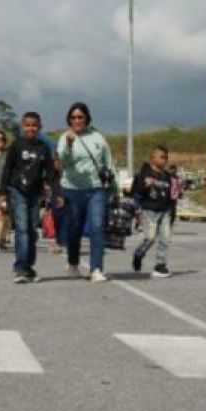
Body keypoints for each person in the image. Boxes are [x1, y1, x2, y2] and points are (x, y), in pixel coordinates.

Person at [56, 102, 118, 283]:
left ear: (87, 118)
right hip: (72, 189)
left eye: (80, 117)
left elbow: (108, 163)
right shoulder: (64, 137)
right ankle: (73, 263)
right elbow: (63, 162)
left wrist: (114, 188)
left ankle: (96, 268)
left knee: (97, 227)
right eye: (73, 117)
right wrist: (68, 144)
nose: (77, 120)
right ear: (69, 119)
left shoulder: (98, 137)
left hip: (96, 189)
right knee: (74, 228)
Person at [2, 112, 58, 282]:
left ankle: (28, 267)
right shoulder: (16, 146)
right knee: (21, 228)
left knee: (32, 231)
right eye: (27, 125)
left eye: (34, 125)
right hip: (17, 191)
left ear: (40, 127)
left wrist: (55, 192)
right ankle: (19, 268)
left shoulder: (43, 148)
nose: (31, 128)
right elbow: (7, 170)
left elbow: (50, 173)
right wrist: (3, 194)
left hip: (35, 193)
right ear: (22, 126)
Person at [130, 145, 178, 278]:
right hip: (149, 211)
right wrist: (137, 211)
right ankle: (138, 254)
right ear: (153, 158)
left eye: (166, 158)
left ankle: (160, 265)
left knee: (165, 238)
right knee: (150, 238)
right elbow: (136, 193)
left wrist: (173, 210)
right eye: (161, 157)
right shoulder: (144, 174)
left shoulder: (167, 176)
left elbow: (171, 195)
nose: (164, 160)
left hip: (165, 211)